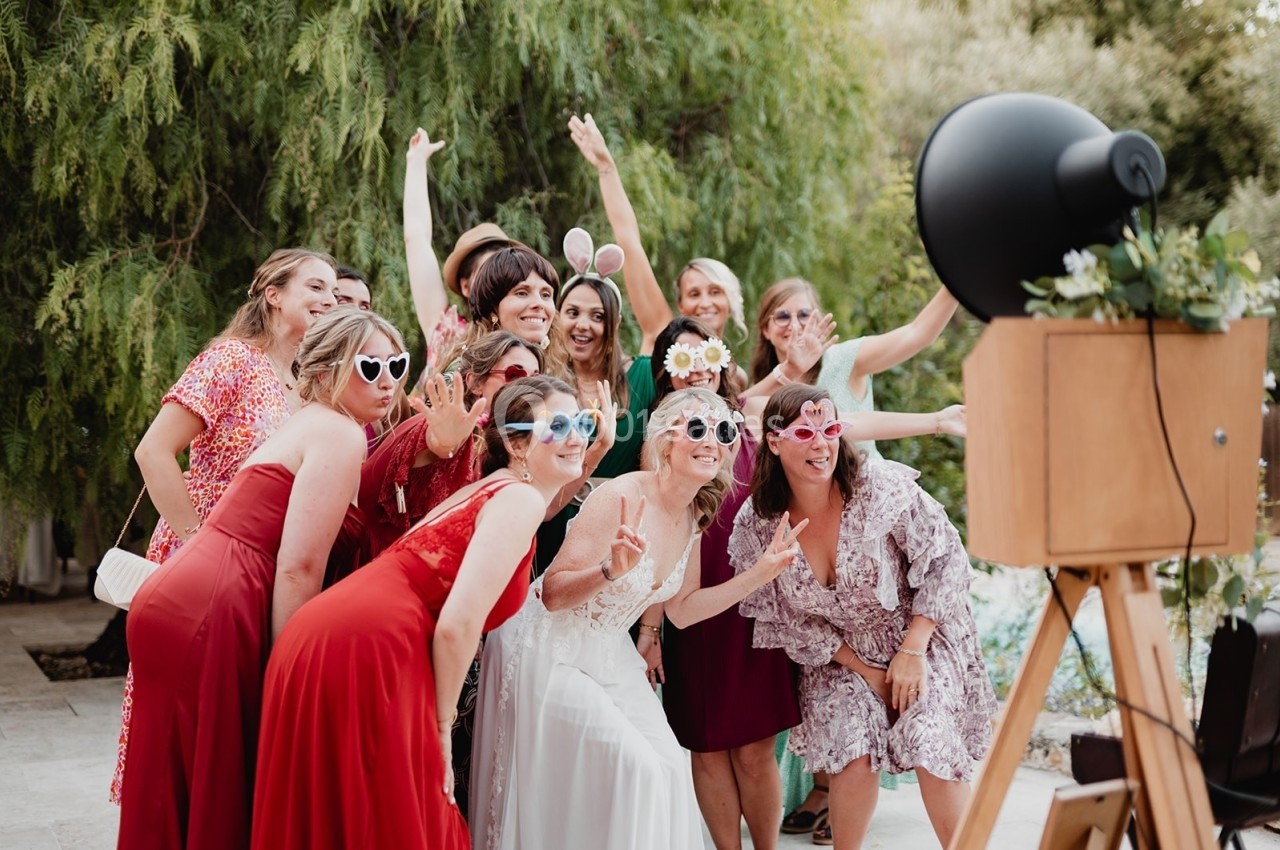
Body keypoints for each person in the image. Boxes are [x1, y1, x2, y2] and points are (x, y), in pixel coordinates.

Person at [251, 376, 590, 850]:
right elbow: (457, 626)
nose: (576, 437)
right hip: (371, 647)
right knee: (408, 813)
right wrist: (440, 728)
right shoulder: (518, 499)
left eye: (584, 422)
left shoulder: (495, 489)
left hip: (338, 633)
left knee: (357, 813)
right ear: (516, 442)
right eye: (558, 425)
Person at [117, 308, 409, 850]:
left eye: (396, 362)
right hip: (217, 604)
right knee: (209, 784)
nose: (387, 378)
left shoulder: (308, 421)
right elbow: (299, 566)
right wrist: (290, 672)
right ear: (325, 371)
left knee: (170, 786)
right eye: (369, 366)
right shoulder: (340, 433)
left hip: (187, 593)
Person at [470, 388, 808, 850]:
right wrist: (609, 570)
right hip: (551, 651)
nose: (713, 440)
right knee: (640, 769)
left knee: (670, 765)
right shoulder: (623, 494)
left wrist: (760, 574)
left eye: (724, 431)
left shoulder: (693, 515)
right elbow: (551, 594)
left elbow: (684, 612)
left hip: (611, 655)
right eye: (697, 428)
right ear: (667, 441)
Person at [111, 247, 339, 804]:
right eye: (314, 287)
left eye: (333, 291)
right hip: (203, 556)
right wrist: (197, 543)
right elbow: (154, 452)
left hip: (265, 565)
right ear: (273, 295)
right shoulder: (231, 361)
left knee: (234, 710)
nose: (328, 299)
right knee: (186, 709)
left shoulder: (307, 382)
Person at [730, 385, 996, 850]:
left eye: (831, 429)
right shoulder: (758, 522)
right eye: (806, 432)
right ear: (774, 441)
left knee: (929, 737)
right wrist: (864, 670)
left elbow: (946, 562)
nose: (821, 444)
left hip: (923, 634)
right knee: (851, 749)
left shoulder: (879, 488)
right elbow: (785, 618)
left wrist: (912, 651)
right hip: (839, 657)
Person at [647, 318, 801, 850]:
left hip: (759, 600)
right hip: (692, 602)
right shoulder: (660, 435)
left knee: (756, 748)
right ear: (666, 372)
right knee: (706, 745)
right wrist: (650, 630)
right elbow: (654, 533)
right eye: (682, 359)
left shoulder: (752, 418)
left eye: (705, 356)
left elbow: (836, 427)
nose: (697, 370)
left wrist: (938, 421)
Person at [566, 113, 749, 392]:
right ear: (681, 305)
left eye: (715, 291)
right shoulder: (662, 334)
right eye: (694, 294)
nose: (705, 303)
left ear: (730, 300)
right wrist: (606, 168)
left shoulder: (735, 376)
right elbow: (629, 241)